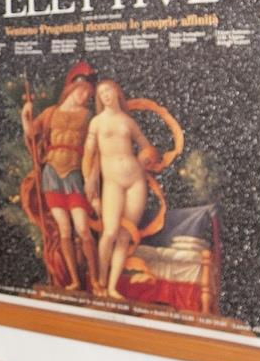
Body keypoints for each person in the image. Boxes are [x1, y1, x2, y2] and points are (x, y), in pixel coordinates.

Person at [20, 63, 98, 291]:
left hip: (74, 175)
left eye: (89, 93)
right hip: (51, 175)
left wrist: (93, 177)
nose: (85, 96)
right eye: (82, 91)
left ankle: (95, 279)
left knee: (82, 228)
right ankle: (74, 280)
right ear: (71, 88)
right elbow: (31, 132)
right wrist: (25, 115)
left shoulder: (89, 117)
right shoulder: (50, 112)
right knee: (64, 228)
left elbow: (95, 151)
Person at [84, 78, 161, 298]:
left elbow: (147, 147)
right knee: (109, 233)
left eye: (108, 90)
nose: (106, 95)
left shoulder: (128, 121)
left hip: (136, 180)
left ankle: (112, 287)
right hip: (113, 181)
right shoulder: (97, 122)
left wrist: (148, 157)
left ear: (117, 91)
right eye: (101, 93)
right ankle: (100, 281)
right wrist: (90, 179)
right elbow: (89, 154)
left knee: (124, 237)